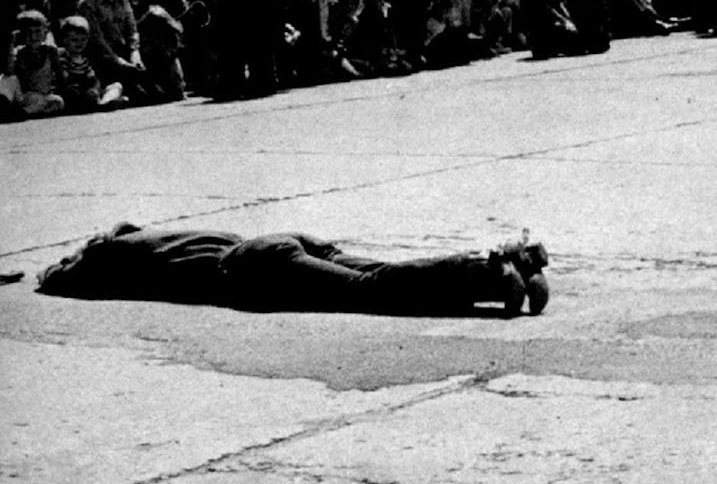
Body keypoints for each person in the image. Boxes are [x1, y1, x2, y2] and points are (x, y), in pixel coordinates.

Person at [37, 222, 551, 316]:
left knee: (371, 291)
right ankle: (505, 274)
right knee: (382, 277)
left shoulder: (106, 258)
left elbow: (61, 279)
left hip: (251, 268)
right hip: (277, 241)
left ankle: (488, 267)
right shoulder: (147, 236)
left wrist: (51, 272)